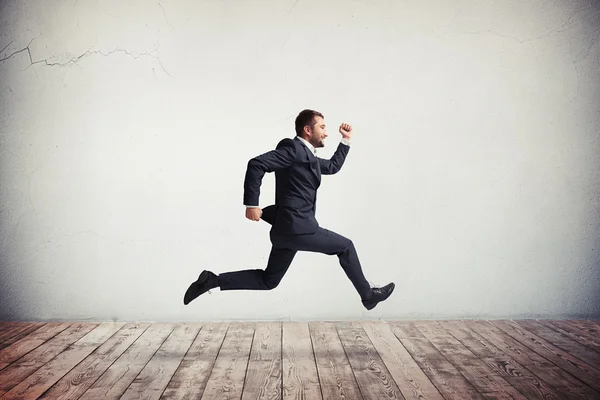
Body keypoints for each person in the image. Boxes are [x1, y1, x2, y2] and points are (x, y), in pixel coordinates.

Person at [184, 109, 395, 310]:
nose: (326, 132)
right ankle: (368, 296)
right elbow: (256, 164)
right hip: (298, 228)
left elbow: (332, 166)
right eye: (322, 127)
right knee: (346, 247)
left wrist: (346, 139)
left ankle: (212, 281)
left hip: (286, 231)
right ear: (307, 130)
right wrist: (252, 204)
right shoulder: (293, 150)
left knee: (269, 280)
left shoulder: (307, 156)